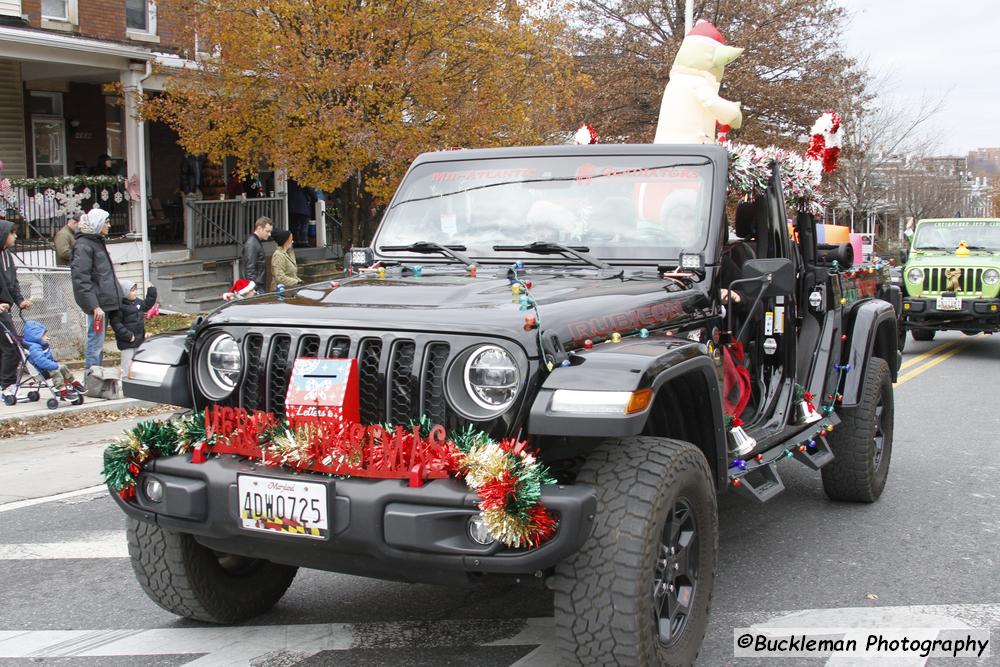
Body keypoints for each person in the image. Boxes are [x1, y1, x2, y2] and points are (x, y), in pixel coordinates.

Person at [70, 208, 121, 380]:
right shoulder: (84, 245)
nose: (109, 225)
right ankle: (91, 380)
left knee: (98, 343)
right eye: (106, 221)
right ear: (98, 223)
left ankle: (96, 380)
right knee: (95, 343)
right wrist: (94, 306)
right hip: (97, 304)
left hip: (104, 301)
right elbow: (81, 279)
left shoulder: (96, 242)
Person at [0, 220, 32, 399]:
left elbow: (13, 283)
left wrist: (19, 300)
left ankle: (3, 385)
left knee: (5, 348)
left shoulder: (7, 256)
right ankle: (7, 385)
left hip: (6, 310)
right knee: (12, 347)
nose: (16, 236)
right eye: (12, 233)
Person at [109, 279, 157, 378]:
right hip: (127, 342)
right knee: (126, 365)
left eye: (135, 290)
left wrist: (151, 290)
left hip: (139, 339)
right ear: (125, 292)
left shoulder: (137, 302)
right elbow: (116, 323)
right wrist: (128, 335)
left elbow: (148, 304)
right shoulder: (119, 307)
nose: (135, 292)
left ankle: (137, 383)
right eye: (132, 290)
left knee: (138, 363)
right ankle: (125, 384)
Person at [22, 320, 84, 394]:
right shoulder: (34, 348)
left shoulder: (41, 345)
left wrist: (55, 365)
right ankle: (61, 389)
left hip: (46, 368)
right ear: (37, 337)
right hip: (41, 372)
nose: (47, 338)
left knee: (63, 367)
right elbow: (41, 361)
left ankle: (74, 383)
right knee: (56, 370)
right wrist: (54, 365)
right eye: (44, 336)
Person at [240, 216, 272, 287]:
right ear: (259, 228)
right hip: (256, 286)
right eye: (267, 231)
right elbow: (250, 270)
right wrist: (254, 289)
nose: (269, 234)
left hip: (256, 285)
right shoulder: (252, 243)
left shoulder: (254, 242)